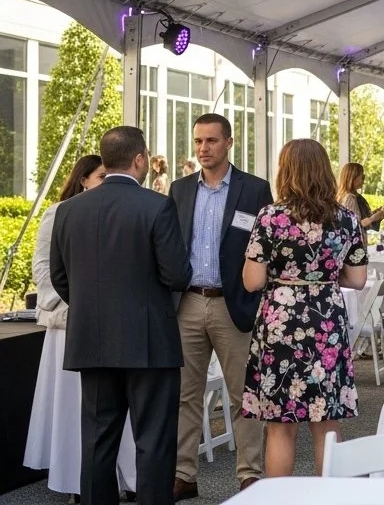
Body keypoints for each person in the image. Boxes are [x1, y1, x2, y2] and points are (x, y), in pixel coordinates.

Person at [51, 126, 192, 505]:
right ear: (140, 159)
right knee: (153, 444)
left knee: (97, 442)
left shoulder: (67, 210)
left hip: (92, 342)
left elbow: (60, 278)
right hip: (150, 344)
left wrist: (92, 309)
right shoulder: (157, 205)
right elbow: (178, 274)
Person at [241, 139, 367, 478]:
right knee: (327, 423)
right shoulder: (346, 219)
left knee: (281, 426)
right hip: (326, 319)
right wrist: (324, 274)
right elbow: (357, 280)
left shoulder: (271, 217)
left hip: (281, 322)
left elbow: (252, 281)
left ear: (287, 171)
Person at [166, 113, 274, 499]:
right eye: (197, 141)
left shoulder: (254, 189)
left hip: (235, 306)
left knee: (243, 394)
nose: (202, 149)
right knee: (184, 394)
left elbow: (268, 247)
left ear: (229, 142)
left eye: (211, 141)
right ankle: (183, 474)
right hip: (189, 303)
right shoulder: (179, 190)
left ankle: (249, 474)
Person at [26, 155, 139, 500]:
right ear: (83, 180)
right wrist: (78, 309)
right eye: (101, 176)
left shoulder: (124, 212)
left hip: (116, 326)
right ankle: (78, 482)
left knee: (116, 406)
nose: (107, 181)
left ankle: (123, 478)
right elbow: (44, 271)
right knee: (79, 409)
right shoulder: (58, 214)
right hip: (70, 328)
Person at [337, 163, 384, 240]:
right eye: (362, 177)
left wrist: (377, 214)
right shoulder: (350, 198)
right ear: (353, 178)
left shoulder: (342, 196)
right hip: (355, 244)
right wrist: (373, 218)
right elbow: (355, 225)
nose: (364, 180)